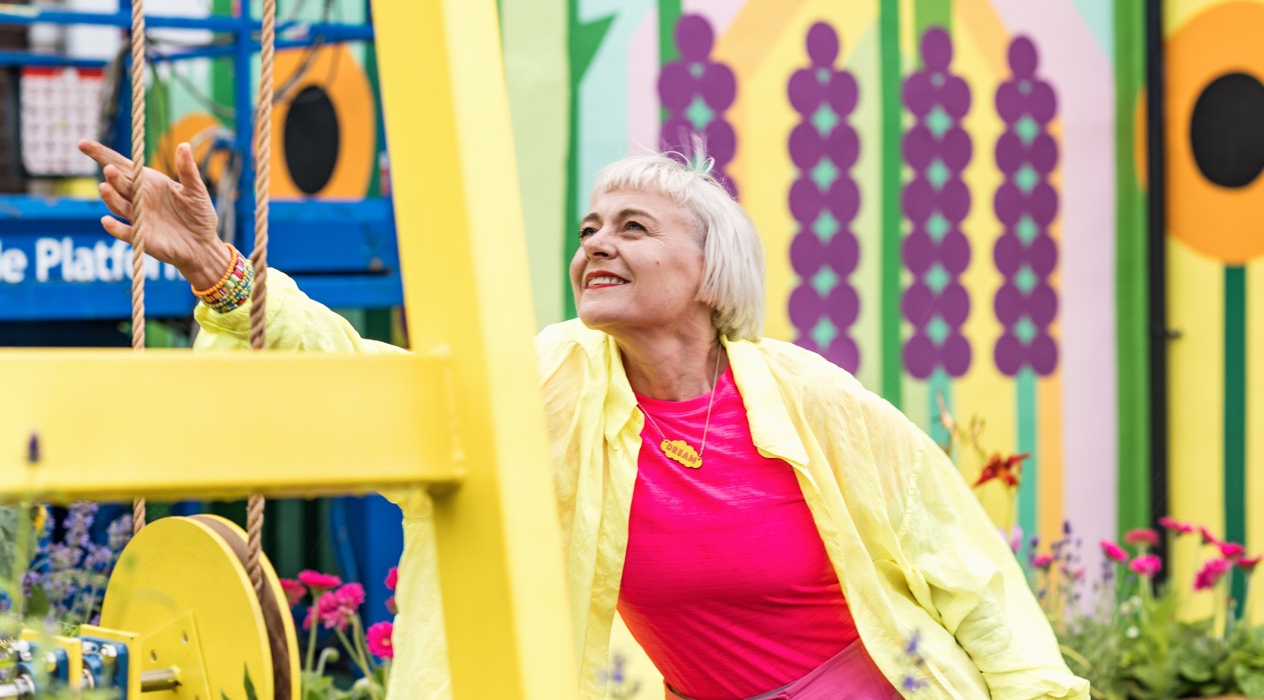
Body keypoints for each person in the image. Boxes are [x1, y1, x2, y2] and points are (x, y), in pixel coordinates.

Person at [80, 138, 1088, 700]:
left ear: (706, 271)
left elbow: (967, 574)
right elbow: (382, 394)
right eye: (588, 228)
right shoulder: (558, 378)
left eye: (632, 228)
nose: (596, 244)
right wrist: (222, 274)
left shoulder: (812, 399)